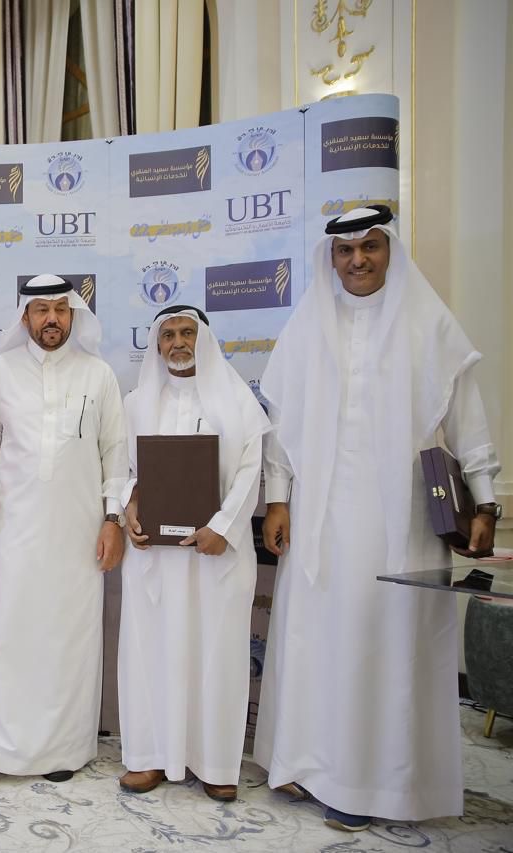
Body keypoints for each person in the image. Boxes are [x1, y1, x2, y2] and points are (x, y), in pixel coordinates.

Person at [254, 206, 502, 831]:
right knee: (317, 637)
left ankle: (371, 784)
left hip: (402, 521)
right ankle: (308, 765)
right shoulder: (308, 325)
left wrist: (486, 500)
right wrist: (278, 497)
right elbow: (281, 429)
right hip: (320, 519)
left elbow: (466, 421)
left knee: (382, 642)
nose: (357, 260)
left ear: (389, 250)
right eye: (345, 251)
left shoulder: (427, 324)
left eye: (370, 247)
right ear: (331, 258)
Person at [0, 274, 127, 794]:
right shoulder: (2, 370)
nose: (52, 319)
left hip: (79, 534)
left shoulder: (98, 375)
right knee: (8, 636)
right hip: (17, 531)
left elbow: (115, 452)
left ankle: (62, 747)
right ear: (24, 316)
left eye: (61, 310)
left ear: (73, 316)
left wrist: (113, 519)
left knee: (69, 639)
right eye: (41, 310)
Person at [117, 305, 270, 801]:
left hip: (216, 555)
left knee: (216, 654)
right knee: (150, 653)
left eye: (187, 333)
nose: (178, 342)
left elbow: (250, 469)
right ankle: (148, 757)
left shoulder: (237, 400)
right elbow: (122, 471)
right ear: (157, 345)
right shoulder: (136, 403)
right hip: (155, 557)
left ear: (203, 339)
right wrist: (128, 508)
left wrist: (223, 527)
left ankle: (215, 763)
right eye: (168, 335)